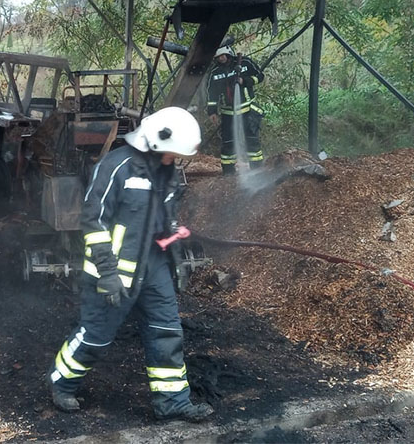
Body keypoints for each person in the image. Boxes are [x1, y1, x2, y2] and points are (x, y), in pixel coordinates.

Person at [48, 107, 214, 423]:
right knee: (96, 336)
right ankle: (62, 382)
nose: (174, 160)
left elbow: (162, 220)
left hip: (153, 268)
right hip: (113, 273)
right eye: (172, 153)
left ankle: (172, 401)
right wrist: (107, 273)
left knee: (167, 331)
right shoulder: (116, 167)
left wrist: (175, 253)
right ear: (155, 142)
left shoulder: (166, 172)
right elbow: (93, 221)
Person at [206, 46, 265, 174]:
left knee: (252, 141)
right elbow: (212, 94)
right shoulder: (215, 72)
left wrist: (245, 81)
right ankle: (228, 172)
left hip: (247, 110)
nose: (221, 59)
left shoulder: (245, 63)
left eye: (223, 55)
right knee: (228, 142)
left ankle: (257, 170)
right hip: (228, 113)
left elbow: (260, 76)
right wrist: (212, 111)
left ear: (229, 54)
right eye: (218, 57)